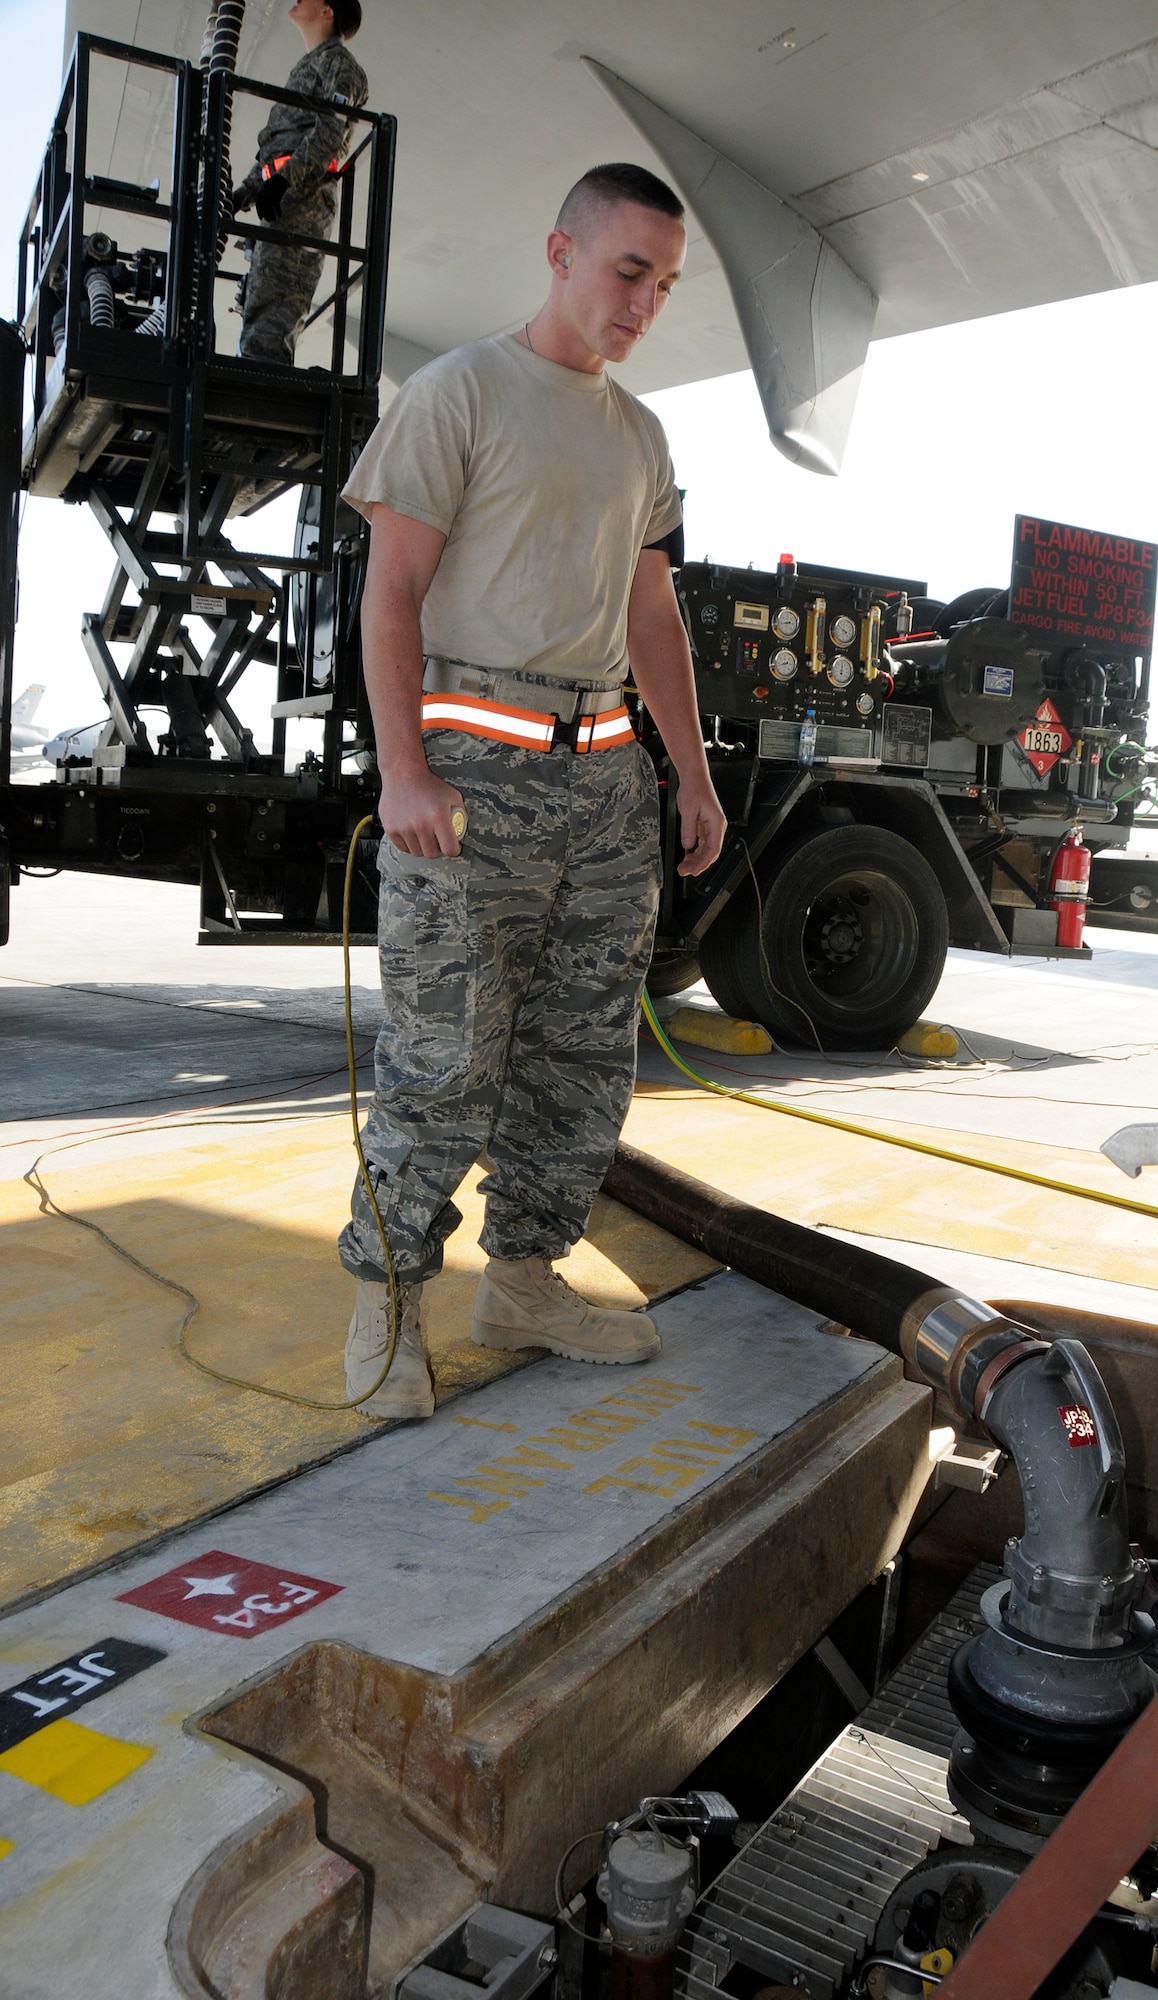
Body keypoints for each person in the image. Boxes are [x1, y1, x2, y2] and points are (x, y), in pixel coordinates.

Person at [338, 162, 728, 1421]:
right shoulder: (459, 392)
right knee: (447, 1055)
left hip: (605, 779)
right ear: (560, 251)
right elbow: (389, 589)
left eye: (665, 287)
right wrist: (403, 768)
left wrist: (691, 775)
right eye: (629, 273)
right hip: (471, 774)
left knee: (578, 1056)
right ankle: (387, 1301)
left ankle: (525, 1277)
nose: (644, 304)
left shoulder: (642, 435)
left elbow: (651, 612)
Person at [232, 0, 368, 365]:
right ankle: (257, 377)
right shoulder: (307, 66)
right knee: (260, 300)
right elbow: (282, 139)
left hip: (303, 197)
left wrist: (283, 180)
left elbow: (329, 133)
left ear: (328, 10)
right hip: (283, 196)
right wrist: (250, 187)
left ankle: (262, 389)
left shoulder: (340, 65)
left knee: (280, 300)